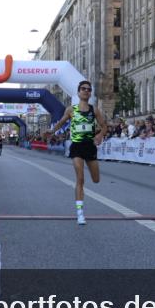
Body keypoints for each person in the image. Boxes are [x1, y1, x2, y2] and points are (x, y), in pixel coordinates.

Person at [48, 80, 105, 226]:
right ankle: (80, 213)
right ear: (79, 93)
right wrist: (51, 131)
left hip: (90, 147)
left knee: (96, 179)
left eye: (88, 89)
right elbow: (60, 122)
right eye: (83, 89)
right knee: (80, 179)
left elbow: (104, 126)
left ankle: (80, 211)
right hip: (77, 147)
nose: (86, 91)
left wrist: (99, 135)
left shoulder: (95, 110)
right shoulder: (71, 110)